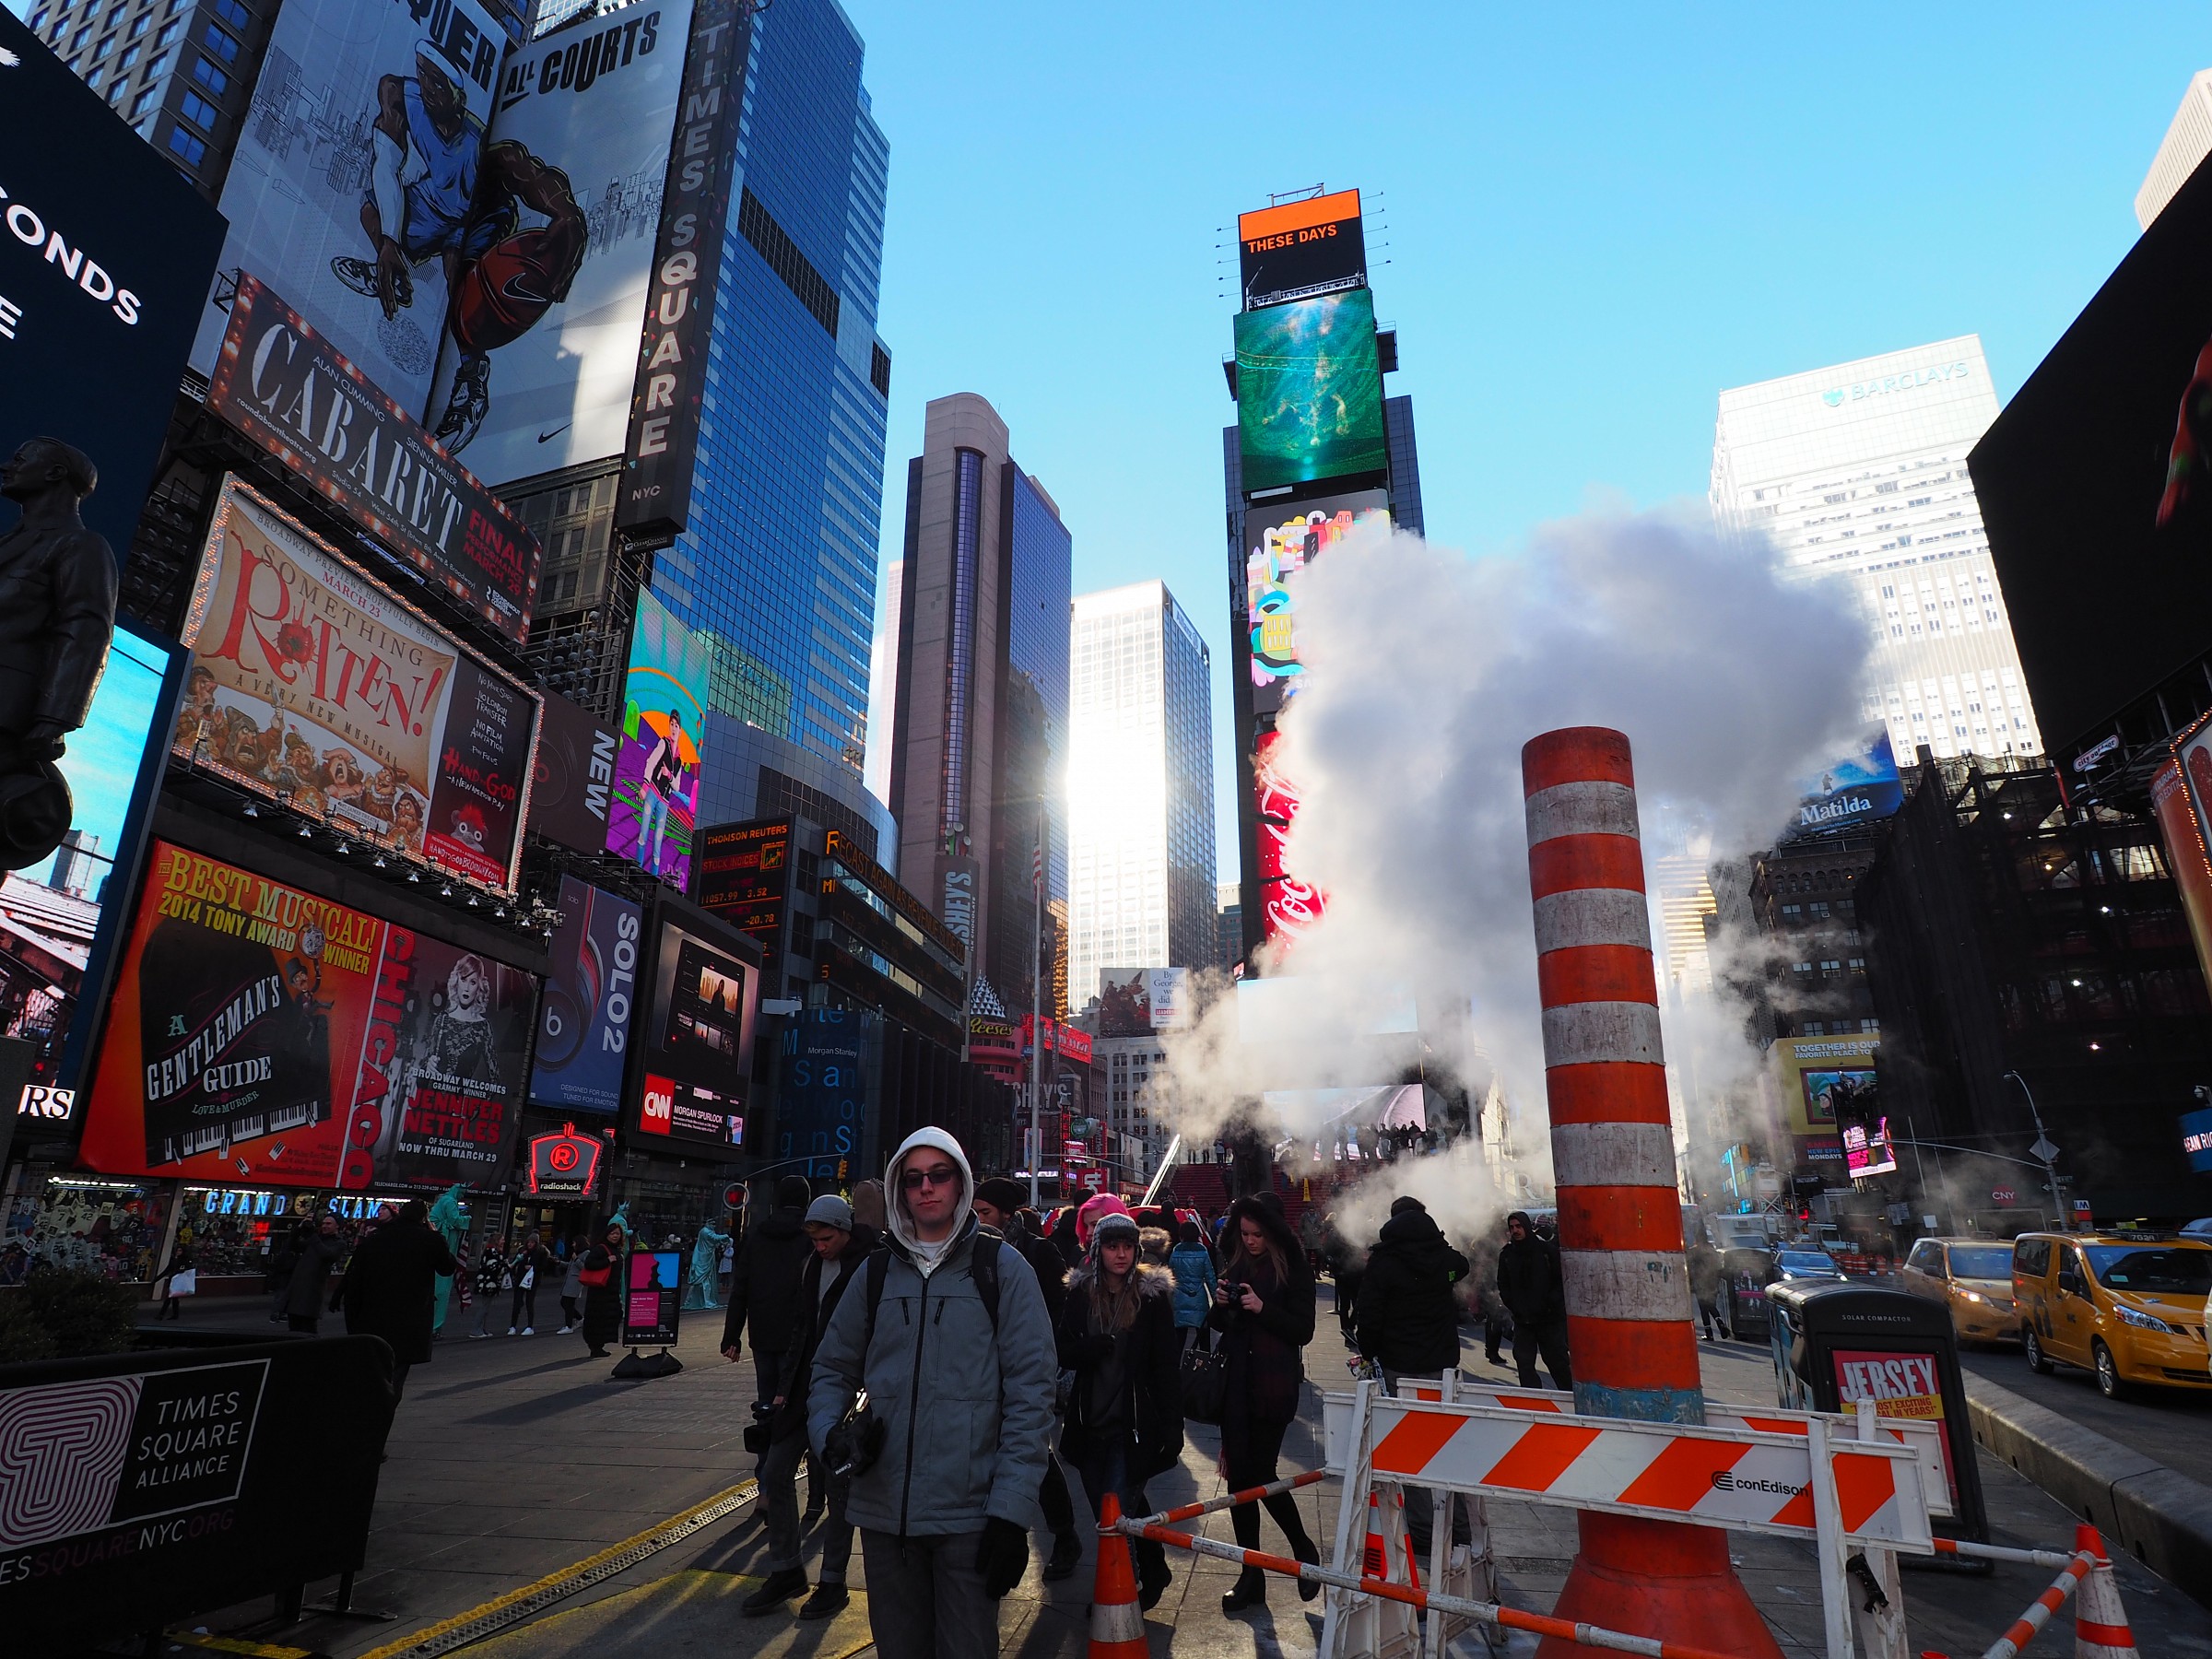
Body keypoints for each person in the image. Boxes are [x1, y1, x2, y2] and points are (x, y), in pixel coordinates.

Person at [806, 1128, 1056, 1659]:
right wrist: (830, 1433)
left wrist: (1012, 1511)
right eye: (913, 1178)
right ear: (900, 1188)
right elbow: (831, 1366)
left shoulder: (1003, 1270)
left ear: (960, 1183)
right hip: (883, 1515)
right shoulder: (875, 1272)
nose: (926, 1188)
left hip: (969, 1515)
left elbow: (1032, 1394)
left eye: (939, 1175)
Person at [746, 1194, 877, 1620]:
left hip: (848, 1391)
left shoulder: (870, 1265)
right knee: (776, 1469)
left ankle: (834, 1580)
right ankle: (786, 1569)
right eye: (815, 1239)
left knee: (840, 1487)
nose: (821, 1246)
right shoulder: (812, 1265)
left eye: (827, 1238)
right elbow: (802, 1326)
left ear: (844, 1229)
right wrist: (784, 1388)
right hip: (805, 1388)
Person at [1055, 1210, 1182, 1612]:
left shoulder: (1151, 1295)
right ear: (1099, 1250)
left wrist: (1172, 1423)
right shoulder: (1081, 1292)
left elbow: (1165, 1363)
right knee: (1111, 1509)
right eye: (1112, 1246)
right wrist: (1087, 1351)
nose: (1121, 1254)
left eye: (1128, 1246)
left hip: (1134, 1424)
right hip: (1088, 1421)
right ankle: (1153, 1566)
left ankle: (1119, 1597)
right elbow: (1061, 1348)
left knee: (1116, 1516)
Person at [1208, 1195, 1322, 1614]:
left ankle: (1303, 1549)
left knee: (1258, 1472)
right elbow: (1218, 1325)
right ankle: (1251, 1573)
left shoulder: (1293, 1268)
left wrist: (1262, 1308)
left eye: (1257, 1235)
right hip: (1236, 1384)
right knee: (1239, 1482)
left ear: (1272, 1233)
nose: (1251, 1241)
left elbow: (1303, 1330)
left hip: (1273, 1385)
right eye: (1244, 1234)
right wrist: (1221, 1306)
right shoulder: (1237, 1263)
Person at [971, 1176, 1083, 1583]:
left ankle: (1065, 1535)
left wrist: (1038, 1348)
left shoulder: (1038, 1251)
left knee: (1034, 1452)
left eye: (984, 1213)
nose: (978, 1219)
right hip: (980, 1372)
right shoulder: (971, 1251)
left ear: (1005, 1214)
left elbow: (1062, 1308)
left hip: (1024, 1369)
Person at [1355, 1197, 1471, 1568]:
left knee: (1412, 1447)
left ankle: (1422, 1530)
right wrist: (1440, 1243)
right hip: (1441, 1365)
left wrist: (1369, 1351)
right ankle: (1461, 1527)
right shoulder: (1445, 1263)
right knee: (1447, 1444)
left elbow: (1369, 1316)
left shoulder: (1384, 1264)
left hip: (1399, 1365)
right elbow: (1461, 1267)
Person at [341, 1197, 461, 1405]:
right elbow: (447, 1267)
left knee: (372, 1369)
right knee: (395, 1375)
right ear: (423, 1218)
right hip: (409, 1320)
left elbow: (355, 1279)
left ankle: (364, 1405)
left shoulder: (377, 1238)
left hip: (373, 1318)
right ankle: (382, 1410)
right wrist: (436, 1235)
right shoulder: (428, 1240)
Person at [723, 1176, 817, 1436]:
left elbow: (740, 1290)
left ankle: (767, 1462)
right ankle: (783, 1461)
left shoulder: (756, 1238)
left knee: (766, 1401)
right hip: (798, 1336)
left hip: (762, 1333)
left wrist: (731, 1337)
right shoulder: (811, 1239)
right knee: (797, 1402)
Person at [1497, 1211, 1572, 1391]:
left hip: (1549, 1319)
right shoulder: (1507, 1254)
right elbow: (1503, 1283)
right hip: (1523, 1320)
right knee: (1524, 1364)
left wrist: (1551, 1303)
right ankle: (1533, 1402)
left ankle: (1569, 1399)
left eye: (1519, 1226)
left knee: (1557, 1363)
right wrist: (1514, 1304)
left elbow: (1560, 1280)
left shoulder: (1546, 1251)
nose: (1515, 1231)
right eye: (1512, 1227)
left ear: (1527, 1227)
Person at [281, 1211, 345, 1335]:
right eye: (324, 1223)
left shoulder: (339, 1243)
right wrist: (299, 1228)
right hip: (298, 1286)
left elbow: (327, 1255)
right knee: (293, 1326)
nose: (325, 1226)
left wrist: (313, 1236)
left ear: (337, 1226)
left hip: (313, 1289)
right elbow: (293, 1246)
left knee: (308, 1328)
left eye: (329, 1224)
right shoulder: (316, 1239)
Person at [1168, 1218, 1218, 1356]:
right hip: (1198, 1297)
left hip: (1179, 1297)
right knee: (1203, 1336)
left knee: (1179, 1338)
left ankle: (1176, 1367)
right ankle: (1204, 1367)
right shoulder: (1203, 1252)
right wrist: (1215, 1295)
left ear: (1181, 1236)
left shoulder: (1175, 1252)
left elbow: (1170, 1275)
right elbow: (1210, 1277)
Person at [577, 1220, 625, 1358]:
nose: (615, 1236)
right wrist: (607, 1261)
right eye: (612, 1233)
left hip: (612, 1291)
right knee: (597, 1319)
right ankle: (595, 1346)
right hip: (599, 1292)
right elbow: (589, 1263)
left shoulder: (617, 1250)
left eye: (617, 1234)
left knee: (613, 1316)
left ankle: (600, 1344)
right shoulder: (601, 1248)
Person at [1323, 1213, 1368, 1354]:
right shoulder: (1334, 1235)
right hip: (1343, 1272)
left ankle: (1350, 1328)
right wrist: (1335, 1266)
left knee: (1357, 1304)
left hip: (1356, 1272)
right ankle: (1347, 1331)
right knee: (1346, 1305)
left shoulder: (1359, 1234)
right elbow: (1327, 1253)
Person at [509, 1230, 553, 1335]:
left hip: (532, 1281)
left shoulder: (541, 1253)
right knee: (516, 1303)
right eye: (529, 1242)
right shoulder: (522, 1251)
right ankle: (512, 1326)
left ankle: (529, 1326)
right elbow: (515, 1263)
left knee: (530, 1303)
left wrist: (533, 1268)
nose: (530, 1244)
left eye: (532, 1242)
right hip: (520, 1279)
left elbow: (544, 1267)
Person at [1688, 1237, 1727, 1341]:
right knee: (1711, 1305)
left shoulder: (1693, 1252)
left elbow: (1689, 1267)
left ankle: (1709, 1334)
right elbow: (1720, 1269)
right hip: (1712, 1283)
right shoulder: (1713, 1252)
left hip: (1700, 1284)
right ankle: (1720, 1323)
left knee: (1704, 1309)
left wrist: (1690, 1283)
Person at [471, 1241, 510, 1338]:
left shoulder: (493, 1253)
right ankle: (475, 1330)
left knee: (486, 1308)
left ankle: (482, 1329)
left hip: (488, 1283)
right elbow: (496, 1269)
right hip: (488, 1284)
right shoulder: (492, 1253)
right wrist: (509, 1265)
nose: (503, 1241)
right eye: (502, 1239)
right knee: (484, 1307)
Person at [154, 1241, 194, 1321]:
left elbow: (187, 1270)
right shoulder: (173, 1260)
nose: (178, 1252)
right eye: (177, 1250)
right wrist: (156, 1280)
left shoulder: (184, 1261)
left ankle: (161, 1315)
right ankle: (175, 1315)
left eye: (180, 1250)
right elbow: (166, 1271)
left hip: (177, 1282)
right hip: (173, 1281)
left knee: (169, 1299)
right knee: (174, 1299)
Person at [559, 1241, 585, 1334]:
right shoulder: (576, 1253)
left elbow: (585, 1267)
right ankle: (580, 1318)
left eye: (574, 1242)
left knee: (567, 1303)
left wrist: (576, 1259)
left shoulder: (586, 1253)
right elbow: (570, 1265)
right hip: (569, 1281)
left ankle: (568, 1326)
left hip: (575, 1282)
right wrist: (559, 1262)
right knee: (565, 1302)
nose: (573, 1244)